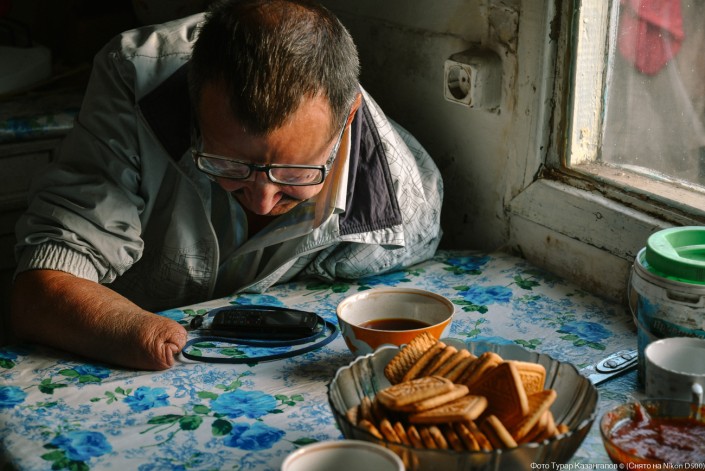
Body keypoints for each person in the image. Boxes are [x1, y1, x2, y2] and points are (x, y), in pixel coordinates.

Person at [10, 0, 443, 371]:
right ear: (194, 109)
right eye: (228, 165)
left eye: (294, 174)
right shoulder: (136, 81)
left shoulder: (405, 208)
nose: (262, 200)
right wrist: (143, 332)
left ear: (348, 120)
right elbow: (39, 290)